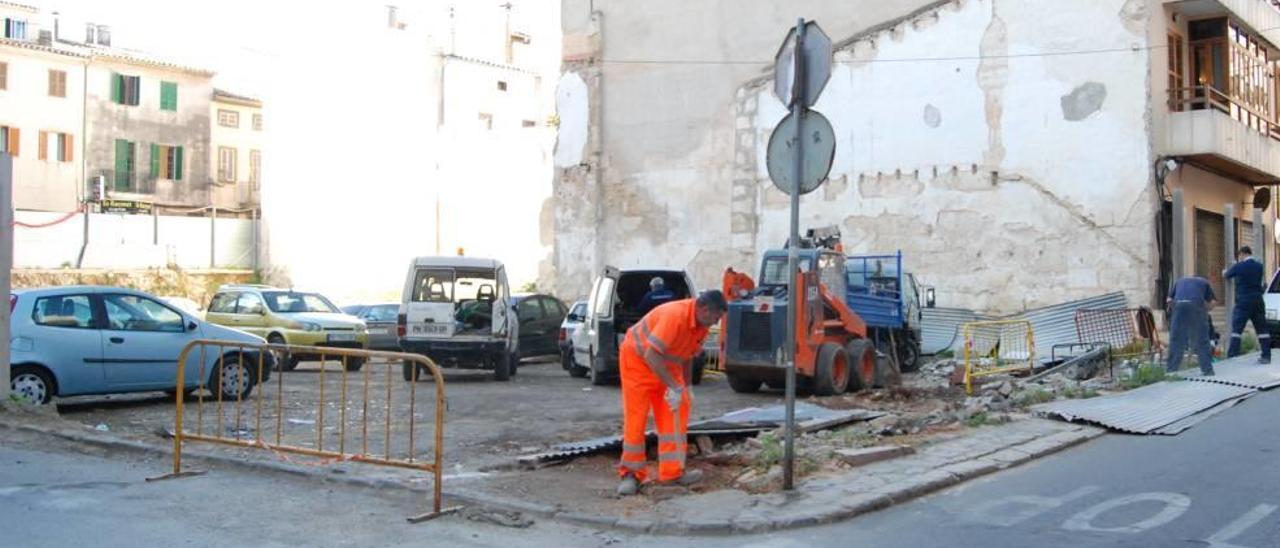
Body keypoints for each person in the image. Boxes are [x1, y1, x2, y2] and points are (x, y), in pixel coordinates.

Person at [616, 290, 727, 496]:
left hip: (665, 365)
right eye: (716, 317)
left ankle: (672, 472)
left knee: (677, 412)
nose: (716, 322)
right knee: (637, 416)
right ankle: (631, 474)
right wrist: (674, 386)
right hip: (638, 361)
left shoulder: (701, 325)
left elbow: (687, 355)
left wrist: (686, 387)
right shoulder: (675, 316)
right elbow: (651, 355)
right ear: (704, 309)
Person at [1223, 246, 1271, 364]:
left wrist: (1225, 271)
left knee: (1237, 329)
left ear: (1242, 254)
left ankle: (1232, 355)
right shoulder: (1259, 266)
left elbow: (1227, 275)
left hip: (1244, 301)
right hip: (1258, 300)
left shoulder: (1239, 266)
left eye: (1239, 256)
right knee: (1262, 329)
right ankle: (1266, 356)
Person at [1165, 275, 1217, 375]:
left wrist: (1175, 310)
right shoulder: (1204, 282)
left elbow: (1169, 300)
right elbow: (1213, 302)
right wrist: (1205, 310)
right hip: (1196, 305)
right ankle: (1207, 370)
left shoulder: (1179, 281)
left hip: (1179, 306)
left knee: (1176, 339)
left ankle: (1171, 370)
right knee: (1202, 339)